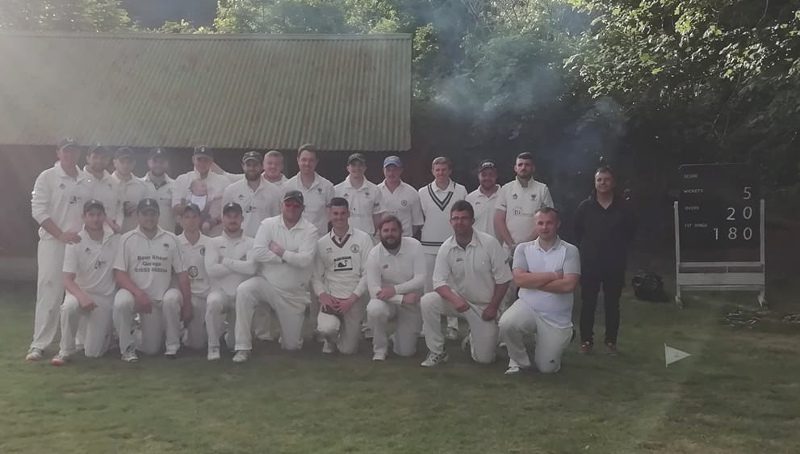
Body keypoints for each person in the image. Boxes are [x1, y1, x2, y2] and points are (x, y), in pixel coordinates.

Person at [420, 200, 511, 367]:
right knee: (428, 301)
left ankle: (473, 339)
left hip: (485, 307)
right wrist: (455, 300)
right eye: (455, 218)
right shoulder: (446, 247)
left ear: (472, 221)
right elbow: (438, 281)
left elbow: (504, 280)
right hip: (460, 303)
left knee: (484, 360)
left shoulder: (489, 243)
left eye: (464, 218)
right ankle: (437, 351)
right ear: (450, 222)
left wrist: (492, 307)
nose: (459, 222)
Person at [232, 190, 319, 362]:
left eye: (296, 205)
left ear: (303, 208)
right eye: (288, 204)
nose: (292, 208)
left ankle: (288, 334)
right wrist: (287, 258)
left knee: (292, 347)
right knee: (244, 290)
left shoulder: (311, 230)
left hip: (293, 294)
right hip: (268, 285)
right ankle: (242, 347)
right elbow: (258, 253)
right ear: (281, 205)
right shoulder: (268, 224)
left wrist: (281, 251)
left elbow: (305, 260)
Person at [27, 138, 91, 361]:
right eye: (66, 151)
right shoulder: (47, 177)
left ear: (78, 153)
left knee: (80, 291)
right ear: (58, 152)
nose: (69, 155)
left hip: (80, 245)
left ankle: (79, 341)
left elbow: (92, 211)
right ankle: (40, 344)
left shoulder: (86, 179)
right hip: (53, 243)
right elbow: (38, 210)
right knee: (49, 291)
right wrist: (60, 234)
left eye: (73, 151)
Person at [498, 207, 580, 375]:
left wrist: (533, 281)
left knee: (547, 368)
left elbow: (568, 286)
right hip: (528, 306)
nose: (544, 227)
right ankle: (519, 362)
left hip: (556, 317)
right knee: (506, 323)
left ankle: (563, 335)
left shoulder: (570, 250)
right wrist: (554, 275)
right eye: (540, 223)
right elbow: (519, 280)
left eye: (549, 223)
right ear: (535, 225)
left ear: (558, 224)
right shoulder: (523, 249)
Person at [112, 198, 192, 362]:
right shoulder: (127, 239)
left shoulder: (171, 239)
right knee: (121, 302)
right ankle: (127, 348)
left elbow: (182, 275)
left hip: (160, 299)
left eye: (153, 214)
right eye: (145, 214)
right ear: (138, 216)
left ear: (158, 215)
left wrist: (187, 306)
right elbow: (119, 274)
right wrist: (139, 294)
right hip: (137, 297)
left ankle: (172, 346)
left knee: (152, 349)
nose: (149, 218)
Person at [574, 166, 636, 355]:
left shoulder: (624, 208)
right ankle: (586, 341)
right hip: (590, 263)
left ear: (613, 182)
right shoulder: (585, 207)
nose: (603, 183)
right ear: (595, 182)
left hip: (614, 262)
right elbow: (578, 232)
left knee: (612, 304)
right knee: (588, 303)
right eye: (599, 179)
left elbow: (630, 233)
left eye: (606, 179)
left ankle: (611, 342)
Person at [50, 200, 119, 365]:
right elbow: (67, 279)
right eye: (91, 215)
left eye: (99, 215)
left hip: (104, 298)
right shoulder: (75, 240)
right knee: (69, 307)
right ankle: (65, 350)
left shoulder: (115, 240)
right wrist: (82, 297)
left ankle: (108, 336)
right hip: (79, 294)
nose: (95, 219)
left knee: (93, 353)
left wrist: (117, 228)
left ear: (104, 216)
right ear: (84, 217)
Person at [312, 197, 373, 354]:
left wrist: (352, 299)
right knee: (327, 329)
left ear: (348, 214)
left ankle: (347, 331)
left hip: (354, 299)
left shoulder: (363, 239)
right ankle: (330, 339)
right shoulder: (322, 243)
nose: (339, 217)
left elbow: (368, 273)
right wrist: (323, 295)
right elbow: (316, 276)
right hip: (332, 297)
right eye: (335, 213)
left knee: (348, 350)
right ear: (329, 215)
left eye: (342, 213)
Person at [418, 156, 467, 340]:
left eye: (444, 169)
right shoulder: (422, 192)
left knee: (453, 284)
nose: (440, 173)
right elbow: (421, 218)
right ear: (432, 171)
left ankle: (453, 327)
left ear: (450, 171)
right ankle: (428, 325)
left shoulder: (461, 190)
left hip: (453, 244)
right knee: (429, 286)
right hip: (428, 245)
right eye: (437, 170)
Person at [365, 216, 426, 361]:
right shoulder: (374, 253)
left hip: (411, 302)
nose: (390, 234)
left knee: (406, 352)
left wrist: (395, 290)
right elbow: (373, 290)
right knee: (374, 309)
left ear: (401, 231)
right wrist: (401, 298)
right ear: (379, 233)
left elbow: (420, 278)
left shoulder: (415, 246)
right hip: (388, 300)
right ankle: (379, 349)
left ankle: (397, 338)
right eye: (386, 230)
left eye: (393, 230)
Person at [205, 202, 256, 361]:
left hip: (242, 296)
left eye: (236, 217)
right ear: (223, 218)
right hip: (220, 293)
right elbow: (212, 270)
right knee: (212, 302)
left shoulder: (252, 243)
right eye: (228, 216)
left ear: (242, 219)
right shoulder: (213, 242)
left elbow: (252, 269)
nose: (232, 220)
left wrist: (225, 261)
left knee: (233, 345)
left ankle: (240, 346)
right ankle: (213, 346)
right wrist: (239, 263)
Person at [494, 152, 554, 253]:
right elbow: (498, 219)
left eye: (527, 165)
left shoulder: (542, 189)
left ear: (533, 168)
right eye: (520, 165)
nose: (523, 167)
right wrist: (511, 244)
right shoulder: (506, 189)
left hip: (535, 247)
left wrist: (527, 244)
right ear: (515, 168)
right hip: (509, 249)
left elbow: (548, 219)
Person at [174, 204, 212, 352]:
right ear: (180, 220)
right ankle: (173, 334)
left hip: (203, 295)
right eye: (186, 217)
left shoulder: (210, 243)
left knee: (197, 345)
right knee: (170, 300)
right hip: (182, 296)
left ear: (200, 219)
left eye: (194, 216)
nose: (191, 221)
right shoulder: (174, 242)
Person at [222, 151, 282, 238]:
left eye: (255, 165)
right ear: (243, 166)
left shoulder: (274, 191)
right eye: (248, 165)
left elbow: (277, 221)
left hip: (264, 243)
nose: (252, 168)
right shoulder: (231, 190)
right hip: (239, 242)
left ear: (262, 166)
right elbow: (225, 220)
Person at [173, 146, 229, 236]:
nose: (202, 163)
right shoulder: (182, 180)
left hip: (215, 235)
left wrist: (213, 221)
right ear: (193, 159)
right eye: (199, 159)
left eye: (206, 160)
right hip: (189, 235)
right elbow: (176, 208)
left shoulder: (223, 181)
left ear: (211, 162)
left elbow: (227, 210)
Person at [285, 144, 334, 235]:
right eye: (304, 160)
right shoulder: (287, 186)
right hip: (294, 239)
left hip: (319, 239)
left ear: (316, 162)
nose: (307, 164)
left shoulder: (327, 186)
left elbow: (331, 214)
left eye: (311, 160)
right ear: (298, 160)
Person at [334, 153, 384, 239]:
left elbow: (377, 216)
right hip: (345, 236)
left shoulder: (375, 190)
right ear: (348, 168)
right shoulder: (337, 190)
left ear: (365, 168)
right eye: (353, 165)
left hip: (368, 236)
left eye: (360, 165)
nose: (357, 168)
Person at [377, 155, 423, 238]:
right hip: (381, 240)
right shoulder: (375, 191)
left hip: (405, 239)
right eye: (388, 170)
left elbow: (416, 223)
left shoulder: (412, 192)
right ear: (383, 171)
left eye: (395, 170)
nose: (391, 173)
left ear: (401, 170)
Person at [83, 145, 122, 232]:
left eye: (103, 157)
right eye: (95, 157)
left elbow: (120, 208)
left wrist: (118, 226)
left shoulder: (114, 182)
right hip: (86, 235)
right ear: (88, 158)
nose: (99, 161)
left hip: (110, 235)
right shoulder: (78, 181)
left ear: (108, 160)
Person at [112, 147, 150, 233]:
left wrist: (139, 208)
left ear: (134, 164)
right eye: (122, 162)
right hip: (110, 236)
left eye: (129, 162)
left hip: (135, 236)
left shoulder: (142, 186)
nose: (125, 165)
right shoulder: (106, 184)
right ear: (115, 162)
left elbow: (148, 212)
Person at [140, 148, 176, 233]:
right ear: (148, 162)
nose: (158, 165)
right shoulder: (138, 184)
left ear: (167, 163)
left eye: (162, 162)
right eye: (155, 161)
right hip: (143, 237)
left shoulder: (175, 185)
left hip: (167, 236)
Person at [465, 159, 501, 238]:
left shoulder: (505, 195)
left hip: (500, 247)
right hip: (476, 246)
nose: (487, 178)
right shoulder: (470, 198)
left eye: (491, 174)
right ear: (478, 176)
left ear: (496, 176)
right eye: (484, 175)